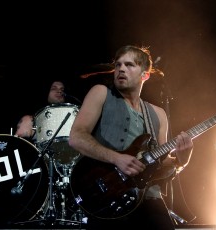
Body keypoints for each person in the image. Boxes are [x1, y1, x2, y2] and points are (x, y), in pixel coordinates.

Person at [68, 45, 193, 229]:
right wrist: (116, 158)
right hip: (107, 195)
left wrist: (182, 160)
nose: (121, 69)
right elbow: (76, 137)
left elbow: (160, 167)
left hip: (149, 198)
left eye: (129, 65)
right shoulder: (101, 93)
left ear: (145, 75)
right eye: (118, 65)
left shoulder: (158, 115)